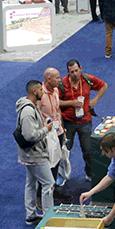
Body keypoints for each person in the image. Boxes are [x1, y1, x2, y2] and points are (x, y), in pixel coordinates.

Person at [60, 59, 108, 182]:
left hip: (85, 121)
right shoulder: (62, 84)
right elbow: (57, 102)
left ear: (80, 68)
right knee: (65, 150)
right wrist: (71, 103)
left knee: (87, 150)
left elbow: (103, 85)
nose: (75, 74)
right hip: (68, 122)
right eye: (72, 72)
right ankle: (62, 175)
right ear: (68, 72)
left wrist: (95, 100)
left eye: (76, 70)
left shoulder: (87, 79)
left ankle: (90, 173)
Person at [16, 80, 55, 225]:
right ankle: (48, 217)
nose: (43, 92)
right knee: (49, 183)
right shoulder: (28, 111)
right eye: (40, 90)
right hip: (35, 154)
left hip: (30, 153)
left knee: (31, 183)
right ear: (34, 91)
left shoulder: (30, 107)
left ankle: (31, 214)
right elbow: (30, 136)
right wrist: (46, 129)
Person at [38, 68, 72, 200]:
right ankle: (42, 193)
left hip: (58, 131)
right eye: (57, 78)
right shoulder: (40, 94)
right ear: (48, 79)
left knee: (57, 161)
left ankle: (54, 189)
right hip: (47, 135)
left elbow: (57, 110)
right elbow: (36, 114)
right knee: (47, 163)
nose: (60, 80)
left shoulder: (56, 90)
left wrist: (62, 128)